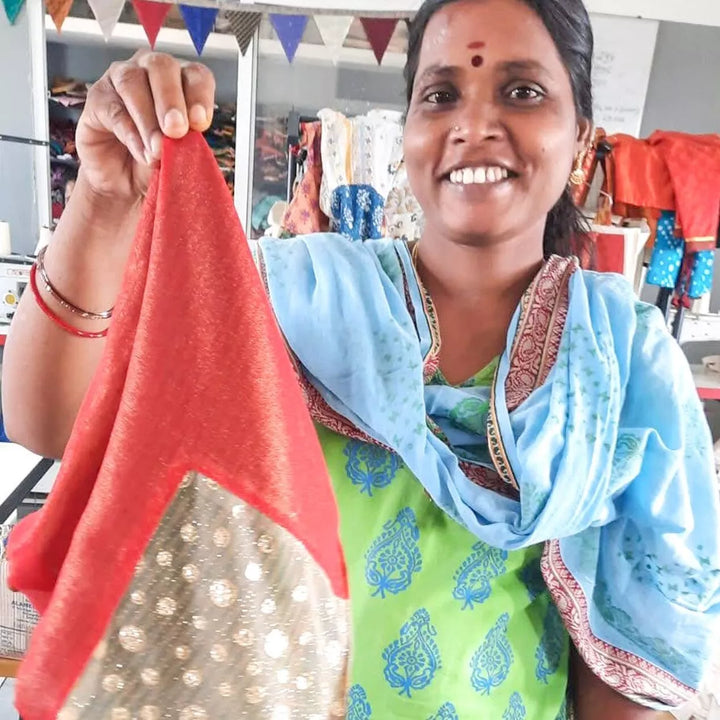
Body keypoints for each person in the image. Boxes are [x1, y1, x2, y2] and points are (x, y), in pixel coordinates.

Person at [2, 0, 718, 718]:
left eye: (522, 91)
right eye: (440, 95)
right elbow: (50, 423)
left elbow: (632, 655)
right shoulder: (294, 297)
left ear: (581, 137)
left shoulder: (622, 357)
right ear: (408, 131)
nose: (472, 123)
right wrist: (99, 203)